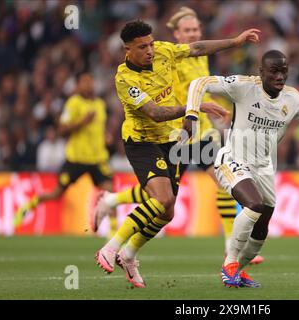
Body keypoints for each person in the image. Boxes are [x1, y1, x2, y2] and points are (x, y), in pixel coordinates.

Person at [94, 20, 260, 288]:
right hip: (142, 141)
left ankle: (129, 254)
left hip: (173, 140)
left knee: (167, 212)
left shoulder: (163, 51)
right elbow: (155, 113)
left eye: (150, 44)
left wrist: (235, 42)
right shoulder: (125, 79)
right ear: (127, 49)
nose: (150, 50)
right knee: (163, 198)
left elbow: (196, 48)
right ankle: (111, 247)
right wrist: (194, 107)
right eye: (142, 47)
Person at [183, 50, 299, 287]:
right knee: (254, 205)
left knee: (262, 226)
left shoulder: (292, 99)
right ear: (261, 72)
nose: (280, 76)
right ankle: (230, 263)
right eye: (274, 71)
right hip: (233, 159)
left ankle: (238, 271)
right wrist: (192, 113)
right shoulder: (243, 86)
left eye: (284, 71)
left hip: (264, 167)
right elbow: (200, 82)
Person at [14, 72, 117, 236]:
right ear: (78, 85)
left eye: (91, 80)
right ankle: (28, 205)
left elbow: (99, 127)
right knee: (56, 193)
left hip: (97, 159)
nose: (89, 84)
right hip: (76, 159)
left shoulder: (99, 104)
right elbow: (61, 129)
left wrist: (106, 136)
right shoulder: (73, 103)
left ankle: (113, 236)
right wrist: (82, 122)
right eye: (85, 81)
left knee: (111, 195)